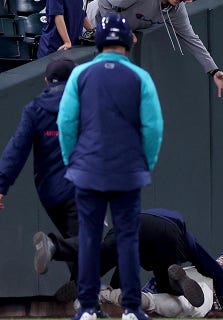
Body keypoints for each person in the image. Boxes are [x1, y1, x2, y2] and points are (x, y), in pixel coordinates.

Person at [57, 14, 164, 320]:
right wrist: (146, 163)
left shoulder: (81, 75)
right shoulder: (140, 77)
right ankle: (131, 309)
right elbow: (153, 126)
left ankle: (88, 309)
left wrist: (71, 161)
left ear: (101, 40)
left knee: (90, 239)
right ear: (128, 41)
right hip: (127, 171)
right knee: (128, 240)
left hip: (87, 169)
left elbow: (66, 124)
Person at [33, 208, 223, 318]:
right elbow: (218, 272)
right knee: (167, 286)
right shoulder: (190, 239)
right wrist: (222, 304)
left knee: (98, 260)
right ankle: (178, 281)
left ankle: (76, 279)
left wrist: (111, 290)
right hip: (171, 233)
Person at [0, 58, 79, 280]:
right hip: (79, 188)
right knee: (89, 242)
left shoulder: (34, 109)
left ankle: (84, 300)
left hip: (50, 193)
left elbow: (17, 147)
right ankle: (53, 247)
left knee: (75, 242)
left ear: (46, 80)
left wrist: (2, 186)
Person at [97, 0, 223, 97]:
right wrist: (120, 28)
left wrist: (214, 70)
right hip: (94, 22)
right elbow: (104, 3)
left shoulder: (175, 10)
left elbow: (191, 39)